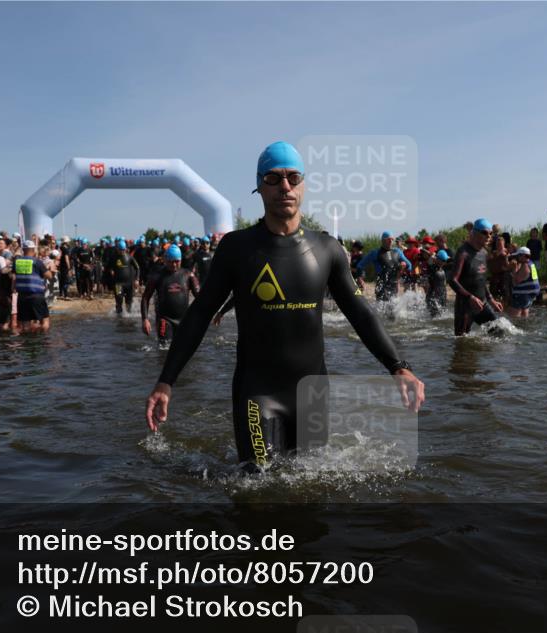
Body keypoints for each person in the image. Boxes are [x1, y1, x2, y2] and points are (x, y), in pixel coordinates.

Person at [144, 141, 424, 470]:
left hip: (313, 393)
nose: (285, 186)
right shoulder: (237, 248)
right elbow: (201, 312)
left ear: (303, 184)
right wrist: (167, 380)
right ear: (259, 187)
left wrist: (398, 367)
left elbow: (360, 313)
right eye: (274, 179)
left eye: (293, 177)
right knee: (258, 484)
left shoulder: (327, 248)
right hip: (257, 391)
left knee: (310, 487)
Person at [448, 218, 504, 335]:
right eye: (484, 232)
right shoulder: (463, 252)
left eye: (490, 233)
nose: (488, 236)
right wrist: (470, 298)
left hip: (482, 305)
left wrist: (491, 299)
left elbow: (481, 280)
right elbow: (452, 280)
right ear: (474, 233)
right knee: (461, 344)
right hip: (465, 308)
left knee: (499, 333)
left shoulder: (483, 253)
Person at [141, 244, 200, 344]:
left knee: (183, 350)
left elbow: (200, 297)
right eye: (171, 262)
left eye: (177, 261)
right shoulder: (157, 276)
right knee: (164, 352)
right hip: (165, 320)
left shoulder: (188, 275)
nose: (174, 265)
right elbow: (145, 298)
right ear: (165, 260)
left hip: (184, 320)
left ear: (180, 260)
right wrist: (145, 319)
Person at [357, 231, 411, 302]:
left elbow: (409, 266)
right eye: (388, 239)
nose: (391, 241)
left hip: (394, 284)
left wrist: (403, 267)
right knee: (382, 307)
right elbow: (360, 265)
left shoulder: (397, 252)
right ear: (383, 240)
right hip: (381, 285)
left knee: (393, 307)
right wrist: (360, 279)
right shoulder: (375, 253)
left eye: (392, 239)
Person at [14, 240, 53, 332]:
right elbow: (49, 275)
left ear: (23, 250)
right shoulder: (37, 262)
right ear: (33, 250)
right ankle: (42, 341)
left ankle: (29, 343)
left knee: (25, 325)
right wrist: (49, 269)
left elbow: (14, 276)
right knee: (45, 322)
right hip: (36, 296)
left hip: (22, 296)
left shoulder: (17, 262)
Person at [107, 239, 139, 314]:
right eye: (120, 250)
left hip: (129, 283)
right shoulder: (114, 258)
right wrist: (111, 270)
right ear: (117, 249)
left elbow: (137, 268)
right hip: (118, 284)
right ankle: (119, 318)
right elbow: (108, 267)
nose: (122, 252)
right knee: (119, 301)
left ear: (125, 249)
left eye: (123, 250)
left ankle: (128, 317)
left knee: (129, 302)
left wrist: (137, 279)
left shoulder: (129, 257)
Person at [507, 246, 540, 318]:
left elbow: (516, 281)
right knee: (523, 317)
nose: (517, 258)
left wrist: (513, 269)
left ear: (522, 256)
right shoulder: (532, 264)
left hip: (522, 295)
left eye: (518, 256)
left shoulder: (525, 265)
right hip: (529, 295)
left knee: (511, 318)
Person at [424, 249, 449, 317]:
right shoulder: (432, 268)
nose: (445, 262)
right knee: (434, 317)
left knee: (441, 317)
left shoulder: (442, 269)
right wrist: (433, 256)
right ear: (438, 259)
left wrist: (445, 297)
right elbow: (429, 262)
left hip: (441, 296)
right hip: (433, 297)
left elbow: (443, 285)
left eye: (445, 260)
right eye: (443, 260)